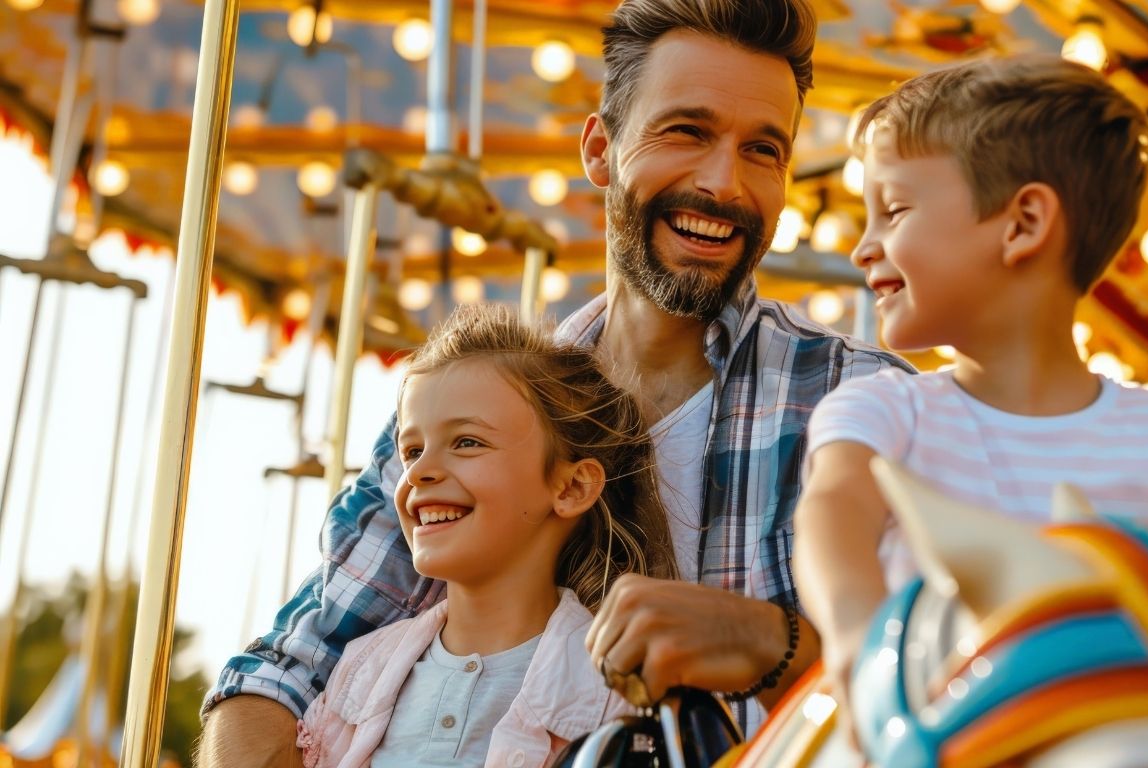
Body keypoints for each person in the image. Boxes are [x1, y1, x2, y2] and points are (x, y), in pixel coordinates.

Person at [198, 1, 908, 764]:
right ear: (600, 149)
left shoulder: (866, 404)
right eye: (686, 132)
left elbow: (949, 678)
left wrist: (771, 644)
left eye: (762, 150)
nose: (723, 182)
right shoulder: (468, 406)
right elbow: (284, 673)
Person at [792, 56, 1148, 710]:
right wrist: (858, 632)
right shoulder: (882, 410)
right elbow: (835, 509)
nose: (864, 247)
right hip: (936, 715)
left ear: (1023, 224)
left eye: (895, 210)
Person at [296, 305, 675, 767]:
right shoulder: (360, 671)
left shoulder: (616, 691)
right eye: (412, 450)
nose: (419, 471)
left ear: (572, 487)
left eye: (467, 442)